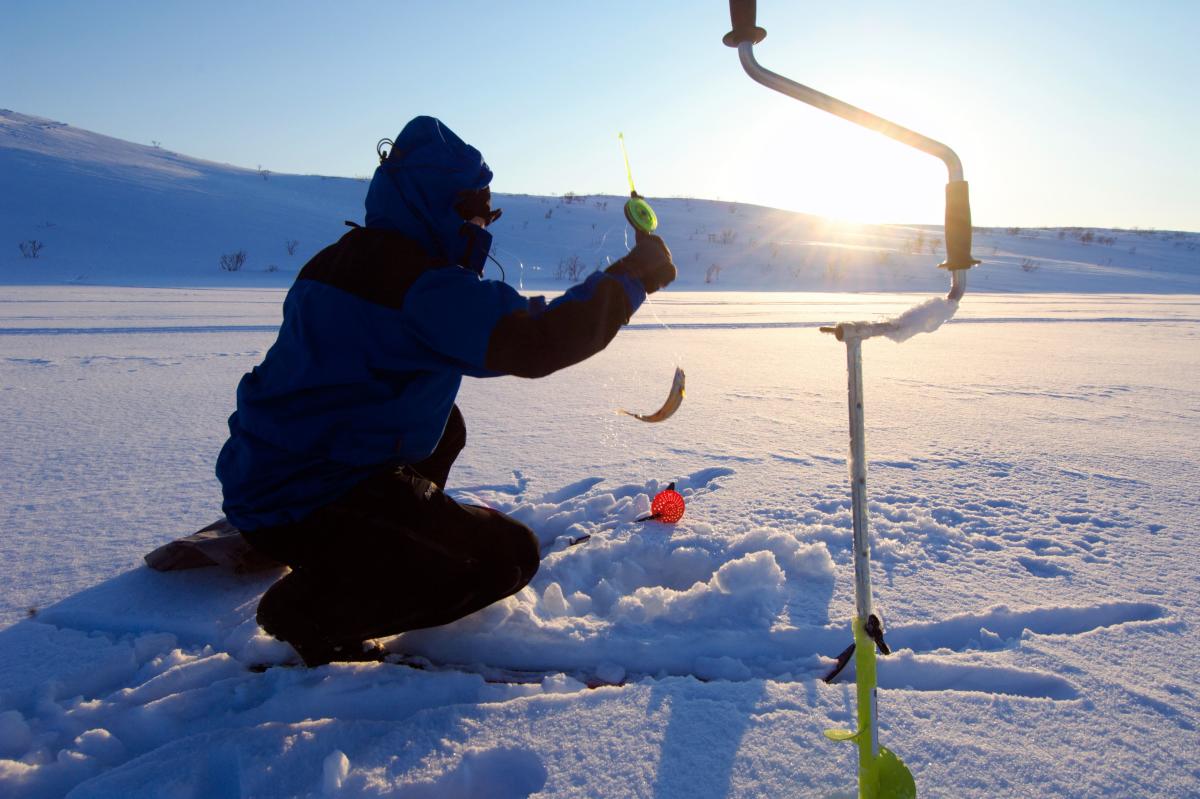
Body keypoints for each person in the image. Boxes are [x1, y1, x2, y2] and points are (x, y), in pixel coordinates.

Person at [215, 116, 676, 666]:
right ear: (448, 208)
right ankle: (312, 609)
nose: (486, 225)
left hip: (268, 468)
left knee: (442, 421)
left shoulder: (344, 258)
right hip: (300, 497)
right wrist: (633, 276)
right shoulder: (418, 285)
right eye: (481, 211)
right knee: (508, 558)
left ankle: (381, 540)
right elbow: (537, 341)